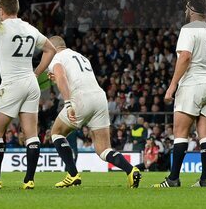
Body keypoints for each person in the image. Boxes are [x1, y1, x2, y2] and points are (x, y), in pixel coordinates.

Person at [46, 36, 141, 188]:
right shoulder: (81, 56)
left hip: (81, 98)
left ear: (52, 47)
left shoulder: (56, 58)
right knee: (103, 149)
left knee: (56, 133)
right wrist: (58, 79)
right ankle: (131, 170)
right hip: (99, 97)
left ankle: (72, 175)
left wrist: (68, 103)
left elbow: (62, 78)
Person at [0, 0, 57, 190]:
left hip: (12, 83)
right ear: (16, 9)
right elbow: (51, 50)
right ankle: (29, 180)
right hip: (31, 83)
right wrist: (37, 72)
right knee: (31, 134)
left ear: (1, 11)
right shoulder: (30, 28)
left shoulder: (0, 26)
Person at [154, 0, 206, 188]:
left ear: (191, 9)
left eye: (186, 8)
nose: (185, 11)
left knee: (181, 132)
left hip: (193, 83)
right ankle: (204, 179)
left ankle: (173, 179)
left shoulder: (189, 29)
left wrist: (172, 86)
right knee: (205, 133)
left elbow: (185, 57)